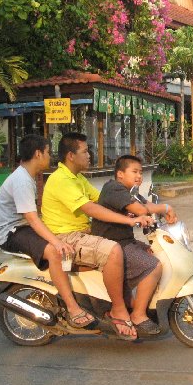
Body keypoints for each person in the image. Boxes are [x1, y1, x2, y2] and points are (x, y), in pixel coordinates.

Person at [41, 133, 153, 341]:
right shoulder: (61, 180)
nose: (90, 155)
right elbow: (91, 209)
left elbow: (101, 201)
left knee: (138, 248)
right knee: (113, 250)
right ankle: (118, 310)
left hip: (83, 233)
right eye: (85, 151)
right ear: (71, 156)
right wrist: (129, 221)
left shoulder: (78, 179)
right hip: (67, 237)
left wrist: (148, 210)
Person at [0, 135, 96, 329]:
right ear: (38, 154)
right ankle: (73, 308)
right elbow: (32, 218)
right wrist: (56, 243)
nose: (51, 156)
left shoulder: (27, 176)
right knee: (54, 251)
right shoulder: (22, 180)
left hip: (21, 226)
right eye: (48, 152)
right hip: (11, 232)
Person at [91, 155, 178, 337]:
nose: (139, 176)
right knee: (153, 266)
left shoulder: (130, 192)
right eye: (135, 172)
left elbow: (147, 205)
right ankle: (138, 315)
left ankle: (139, 303)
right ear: (120, 174)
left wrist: (162, 210)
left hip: (124, 242)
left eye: (141, 172)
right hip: (111, 245)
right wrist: (166, 208)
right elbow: (141, 209)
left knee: (155, 253)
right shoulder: (113, 188)